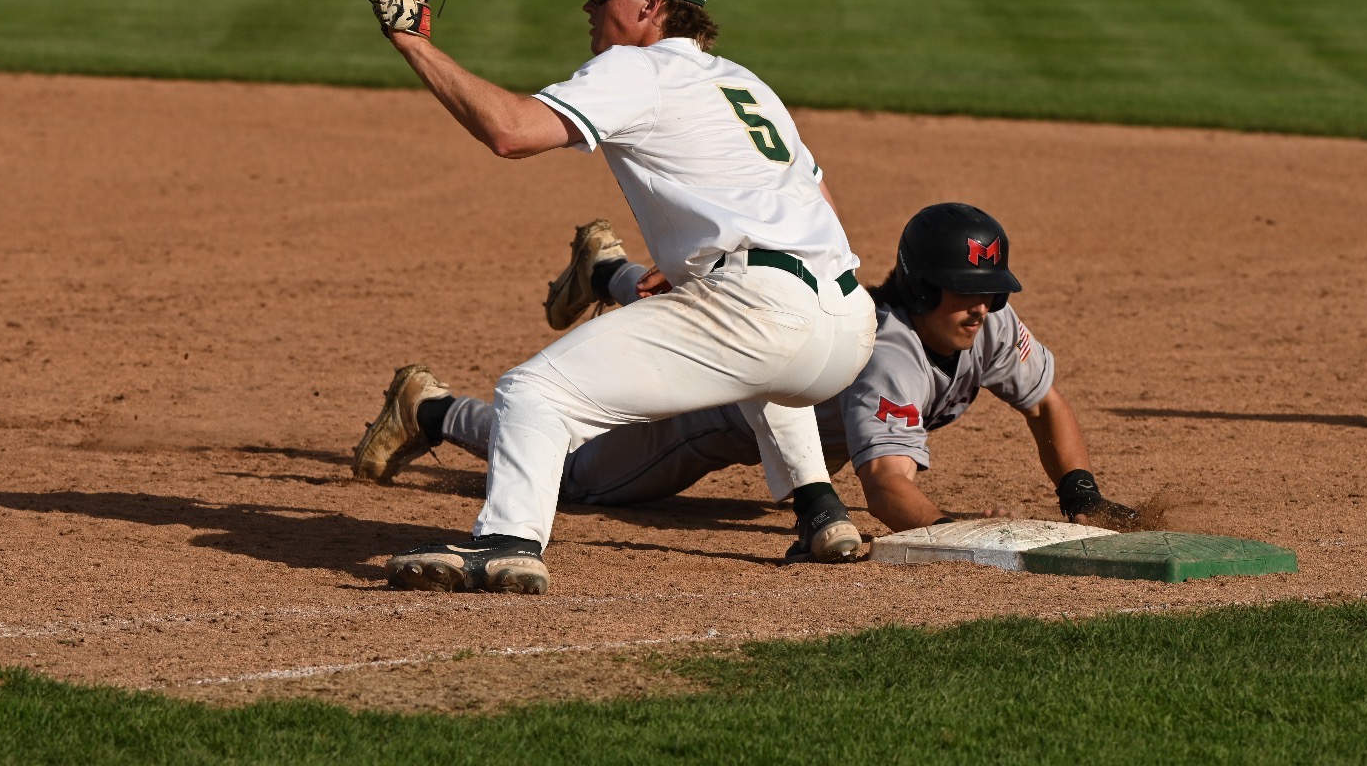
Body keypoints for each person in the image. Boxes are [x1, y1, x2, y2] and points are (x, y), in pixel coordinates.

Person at [369, 0, 878, 594]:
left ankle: (507, 541)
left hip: (763, 312)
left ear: (649, 5)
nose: (588, 8)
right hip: (847, 322)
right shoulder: (745, 83)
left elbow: (511, 131)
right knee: (756, 357)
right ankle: (821, 511)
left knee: (534, 391)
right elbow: (822, 204)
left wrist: (413, 41)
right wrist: (708, 266)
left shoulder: (637, 68)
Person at [355, 204, 1140, 538]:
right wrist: (960, 534)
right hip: (709, 416)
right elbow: (888, 486)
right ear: (927, 288)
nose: (984, 309)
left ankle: (611, 274)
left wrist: (1080, 492)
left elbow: (1048, 404)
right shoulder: (891, 358)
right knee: (571, 471)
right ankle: (428, 408)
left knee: (713, 305)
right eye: (969, 294)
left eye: (991, 292)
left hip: (763, 354)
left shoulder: (988, 325)